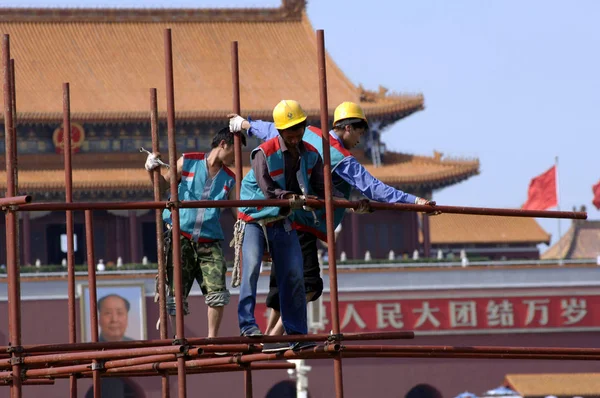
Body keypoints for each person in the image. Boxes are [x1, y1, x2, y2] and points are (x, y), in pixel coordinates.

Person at [229, 101, 436, 336]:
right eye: (360, 132)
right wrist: (415, 202)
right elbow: (376, 189)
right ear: (347, 128)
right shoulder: (339, 157)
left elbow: (269, 130)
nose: (360, 139)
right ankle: (272, 338)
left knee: (285, 282)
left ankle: (269, 336)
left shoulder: (307, 135)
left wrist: (244, 124)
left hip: (282, 215)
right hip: (293, 220)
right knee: (306, 282)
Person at [233, 99, 325, 353]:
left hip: (282, 215)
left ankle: (296, 333)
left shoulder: (311, 154)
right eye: (290, 132)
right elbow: (269, 191)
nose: (296, 136)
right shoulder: (263, 153)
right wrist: (295, 199)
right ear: (281, 131)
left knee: (294, 272)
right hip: (254, 214)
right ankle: (248, 326)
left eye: (300, 130)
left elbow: (320, 188)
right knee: (251, 267)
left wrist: (346, 202)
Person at [144, 126, 246, 338]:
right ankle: (177, 337)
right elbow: (162, 186)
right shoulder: (188, 161)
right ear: (223, 144)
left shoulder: (230, 178)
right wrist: (150, 169)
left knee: (218, 290)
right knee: (175, 292)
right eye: (234, 151)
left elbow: (240, 212)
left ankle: (212, 338)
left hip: (209, 241)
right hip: (180, 235)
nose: (236, 158)